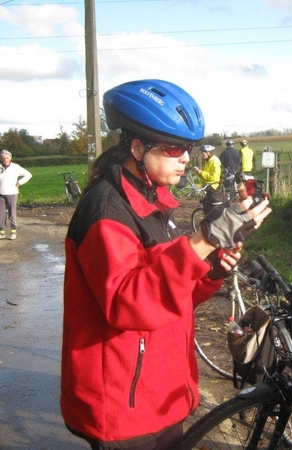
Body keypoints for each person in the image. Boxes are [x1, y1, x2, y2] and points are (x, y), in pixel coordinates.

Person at [60, 79, 271, 450]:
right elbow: (129, 303)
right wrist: (204, 239)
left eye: (188, 148)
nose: (186, 158)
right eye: (174, 148)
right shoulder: (107, 212)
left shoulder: (153, 202)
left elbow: (173, 294)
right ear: (138, 148)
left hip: (158, 393)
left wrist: (213, 269)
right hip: (125, 407)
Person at [0, 149, 32, 240]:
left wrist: (19, 182)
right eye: (3, 158)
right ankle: (1, 232)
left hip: (12, 193)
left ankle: (13, 231)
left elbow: (28, 175)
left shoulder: (15, 167)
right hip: (1, 193)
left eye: (6, 158)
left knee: (12, 212)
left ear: (10, 158)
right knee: (1, 214)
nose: (5, 160)